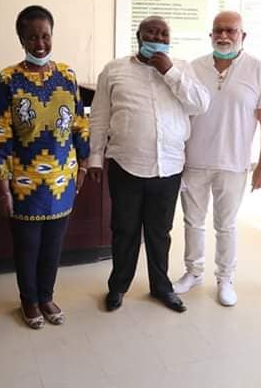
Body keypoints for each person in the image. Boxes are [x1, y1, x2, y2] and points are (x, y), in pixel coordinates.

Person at [89, 16, 210, 313]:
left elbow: (200, 104)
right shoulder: (114, 70)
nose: (157, 36)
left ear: (169, 39)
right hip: (125, 165)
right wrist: (94, 157)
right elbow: (99, 116)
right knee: (124, 230)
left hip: (168, 167)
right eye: (151, 32)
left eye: (163, 33)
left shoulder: (181, 67)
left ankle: (161, 287)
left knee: (160, 232)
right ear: (139, 36)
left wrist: (168, 72)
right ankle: (118, 287)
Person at [0, 5, 90, 329]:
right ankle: (28, 300)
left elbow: (78, 124)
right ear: (21, 38)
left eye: (45, 35)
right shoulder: (7, 79)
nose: (40, 43)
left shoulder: (67, 75)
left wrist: (83, 166)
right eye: (32, 37)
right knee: (27, 247)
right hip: (24, 183)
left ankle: (46, 296)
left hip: (62, 181)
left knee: (54, 245)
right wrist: (2, 188)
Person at [173, 11, 261, 307]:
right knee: (192, 221)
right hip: (194, 161)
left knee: (225, 224)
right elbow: (181, 113)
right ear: (210, 35)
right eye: (218, 30)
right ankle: (193, 272)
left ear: (243, 35)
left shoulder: (258, 70)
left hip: (234, 163)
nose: (224, 36)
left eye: (231, 31)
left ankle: (225, 278)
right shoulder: (194, 68)